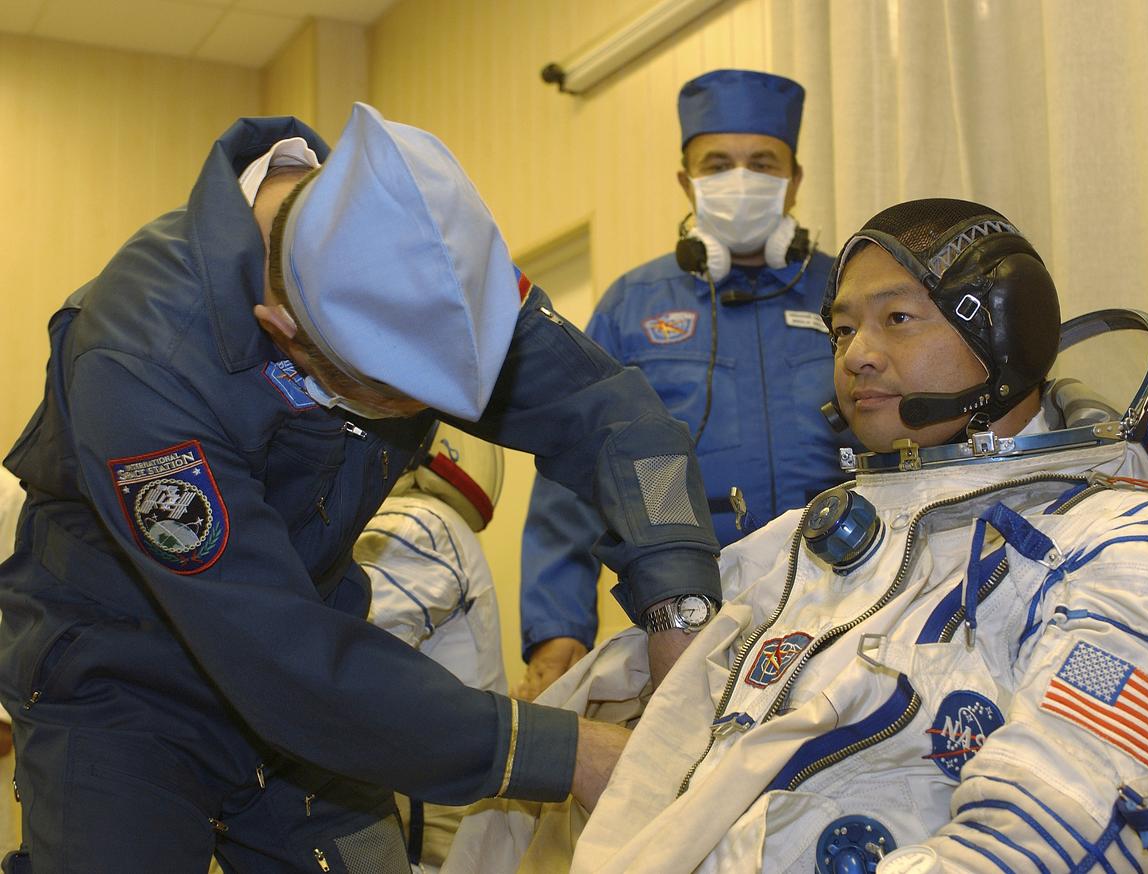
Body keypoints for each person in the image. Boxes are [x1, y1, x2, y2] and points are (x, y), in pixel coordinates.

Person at [0, 102, 721, 871]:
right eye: (386, 396)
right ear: (282, 326)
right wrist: (567, 752)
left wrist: (677, 602)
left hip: (316, 681)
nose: (419, 419)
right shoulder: (144, 358)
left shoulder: (432, 262)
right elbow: (277, 653)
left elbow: (618, 421)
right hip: (125, 688)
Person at [446, 198, 1148, 873]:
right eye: (840, 331)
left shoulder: (1136, 553)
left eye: (897, 319)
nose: (857, 356)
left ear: (1004, 334)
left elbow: (1046, 841)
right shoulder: (810, 541)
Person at [517, 69, 846, 699]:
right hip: (686, 618)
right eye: (718, 163)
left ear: (795, 180)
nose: (740, 180)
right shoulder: (631, 305)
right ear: (685, 180)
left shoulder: (850, 296)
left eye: (763, 163)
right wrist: (558, 627)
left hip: (843, 606)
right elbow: (573, 473)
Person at [354, 422, 508, 870]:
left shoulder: (416, 524)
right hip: (457, 811)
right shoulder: (429, 520)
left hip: (432, 835)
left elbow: (352, 667)